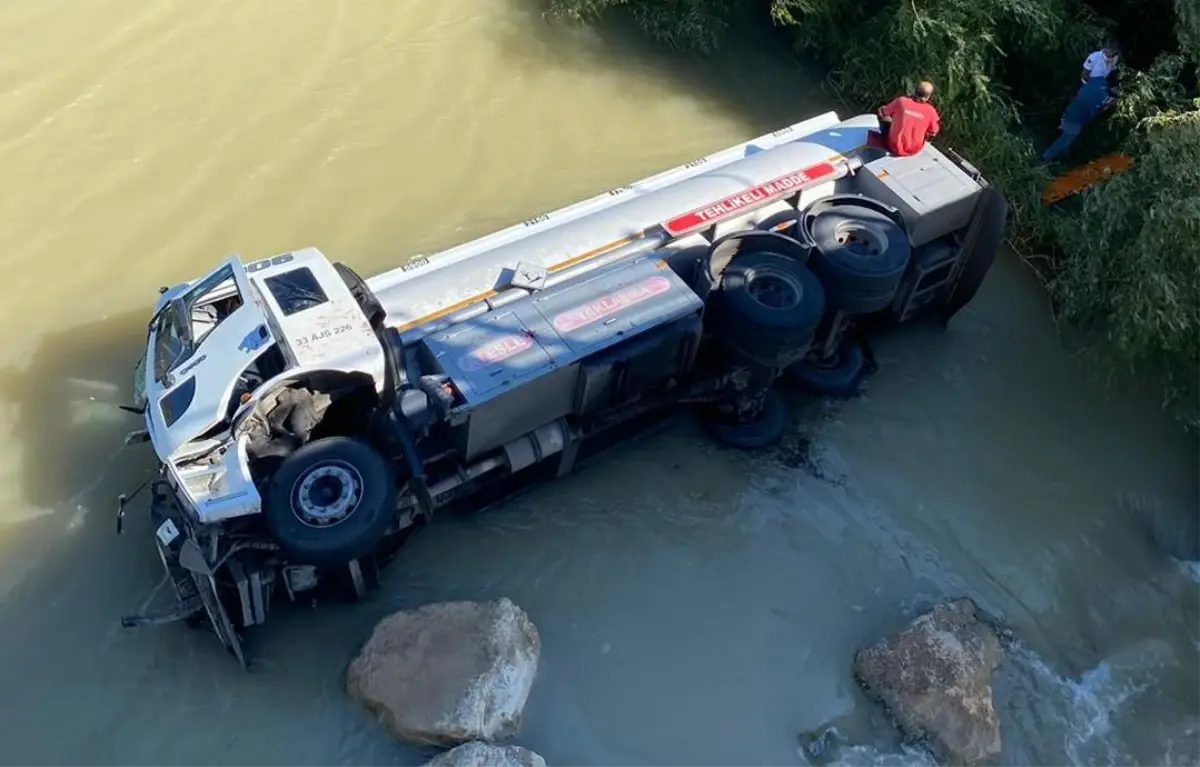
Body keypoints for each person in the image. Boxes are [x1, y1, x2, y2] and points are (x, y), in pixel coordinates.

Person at [1041, 76, 1119, 163]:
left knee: (1066, 138)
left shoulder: (1098, 80)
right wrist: (1114, 101)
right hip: (1075, 121)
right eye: (1117, 89)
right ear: (1114, 87)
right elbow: (1098, 111)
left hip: (1069, 110)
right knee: (1065, 141)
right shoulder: (1103, 96)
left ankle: (1061, 159)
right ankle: (1045, 158)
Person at [876, 81, 941, 157]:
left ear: (914, 91)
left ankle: (883, 142)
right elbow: (933, 132)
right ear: (928, 97)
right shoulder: (930, 111)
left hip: (893, 146)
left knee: (882, 113)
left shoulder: (901, 101)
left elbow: (883, 113)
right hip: (914, 149)